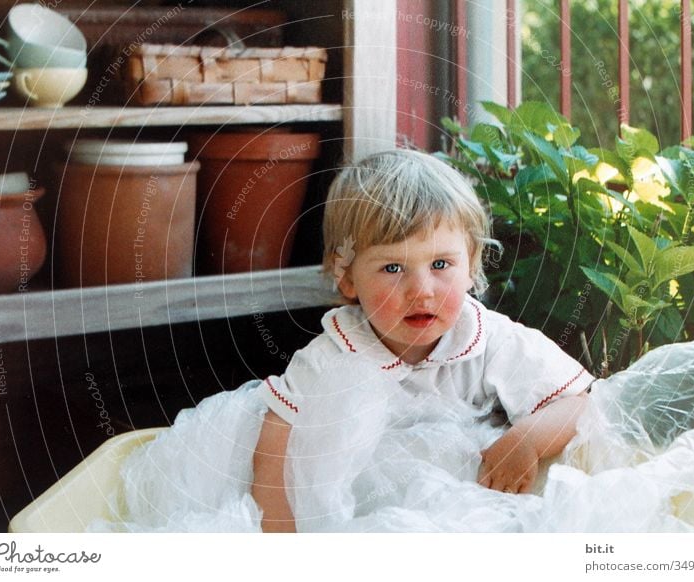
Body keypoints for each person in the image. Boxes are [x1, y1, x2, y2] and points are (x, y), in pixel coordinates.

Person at [251, 149, 594, 533]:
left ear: (471, 265)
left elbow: (577, 401)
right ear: (346, 277)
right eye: (392, 268)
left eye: (440, 265)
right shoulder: (335, 354)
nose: (421, 291)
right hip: (366, 515)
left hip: (464, 511)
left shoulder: (486, 338)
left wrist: (526, 440)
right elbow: (275, 445)